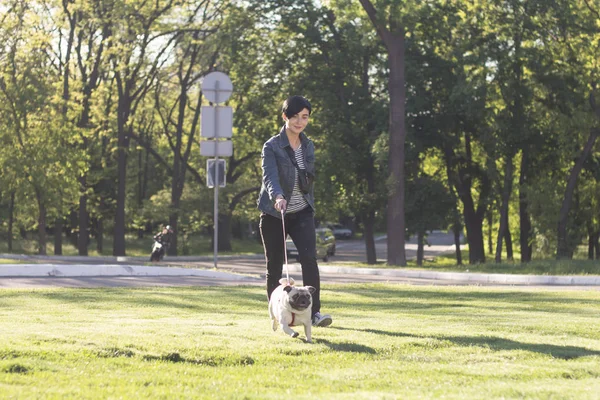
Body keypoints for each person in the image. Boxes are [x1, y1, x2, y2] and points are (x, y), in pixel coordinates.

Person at [257, 95, 332, 328]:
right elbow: (269, 176)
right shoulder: (271, 146)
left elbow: (307, 177)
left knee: (310, 259)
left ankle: (314, 313)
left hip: (302, 212)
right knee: (275, 266)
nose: (300, 122)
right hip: (274, 213)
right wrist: (278, 196)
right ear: (284, 117)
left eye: (305, 117)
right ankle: (280, 316)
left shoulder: (308, 145)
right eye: (295, 116)